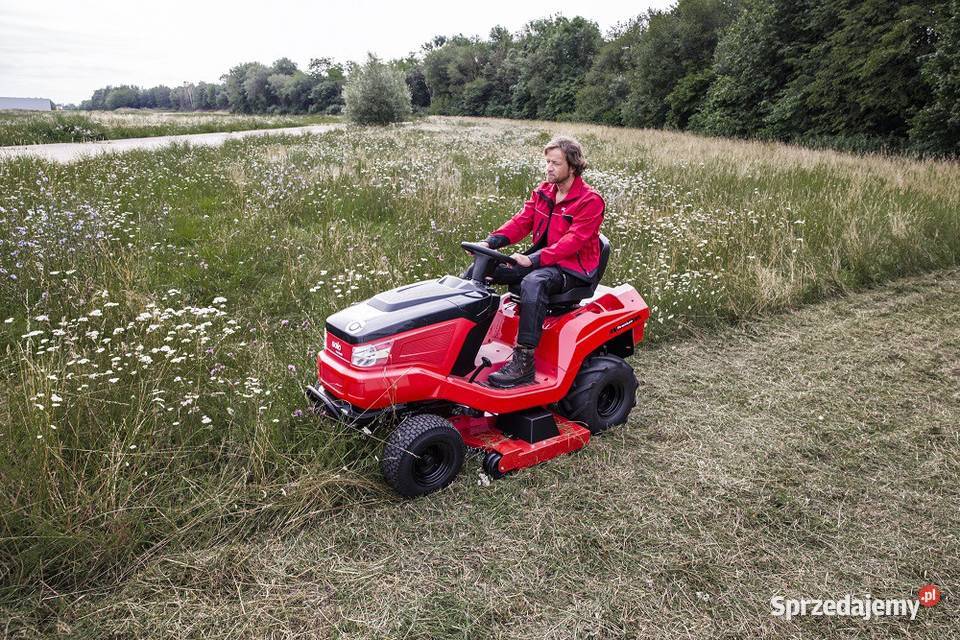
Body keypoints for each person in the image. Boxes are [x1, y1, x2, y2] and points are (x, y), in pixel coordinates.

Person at [466, 135, 605, 388]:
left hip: (572, 269)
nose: (549, 168)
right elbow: (521, 222)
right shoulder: (544, 192)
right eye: (547, 162)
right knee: (481, 267)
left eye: (556, 163)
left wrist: (532, 259)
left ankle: (524, 362)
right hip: (543, 262)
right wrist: (490, 243)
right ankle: (465, 338)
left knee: (533, 282)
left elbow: (572, 242)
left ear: (573, 166)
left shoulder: (590, 201)